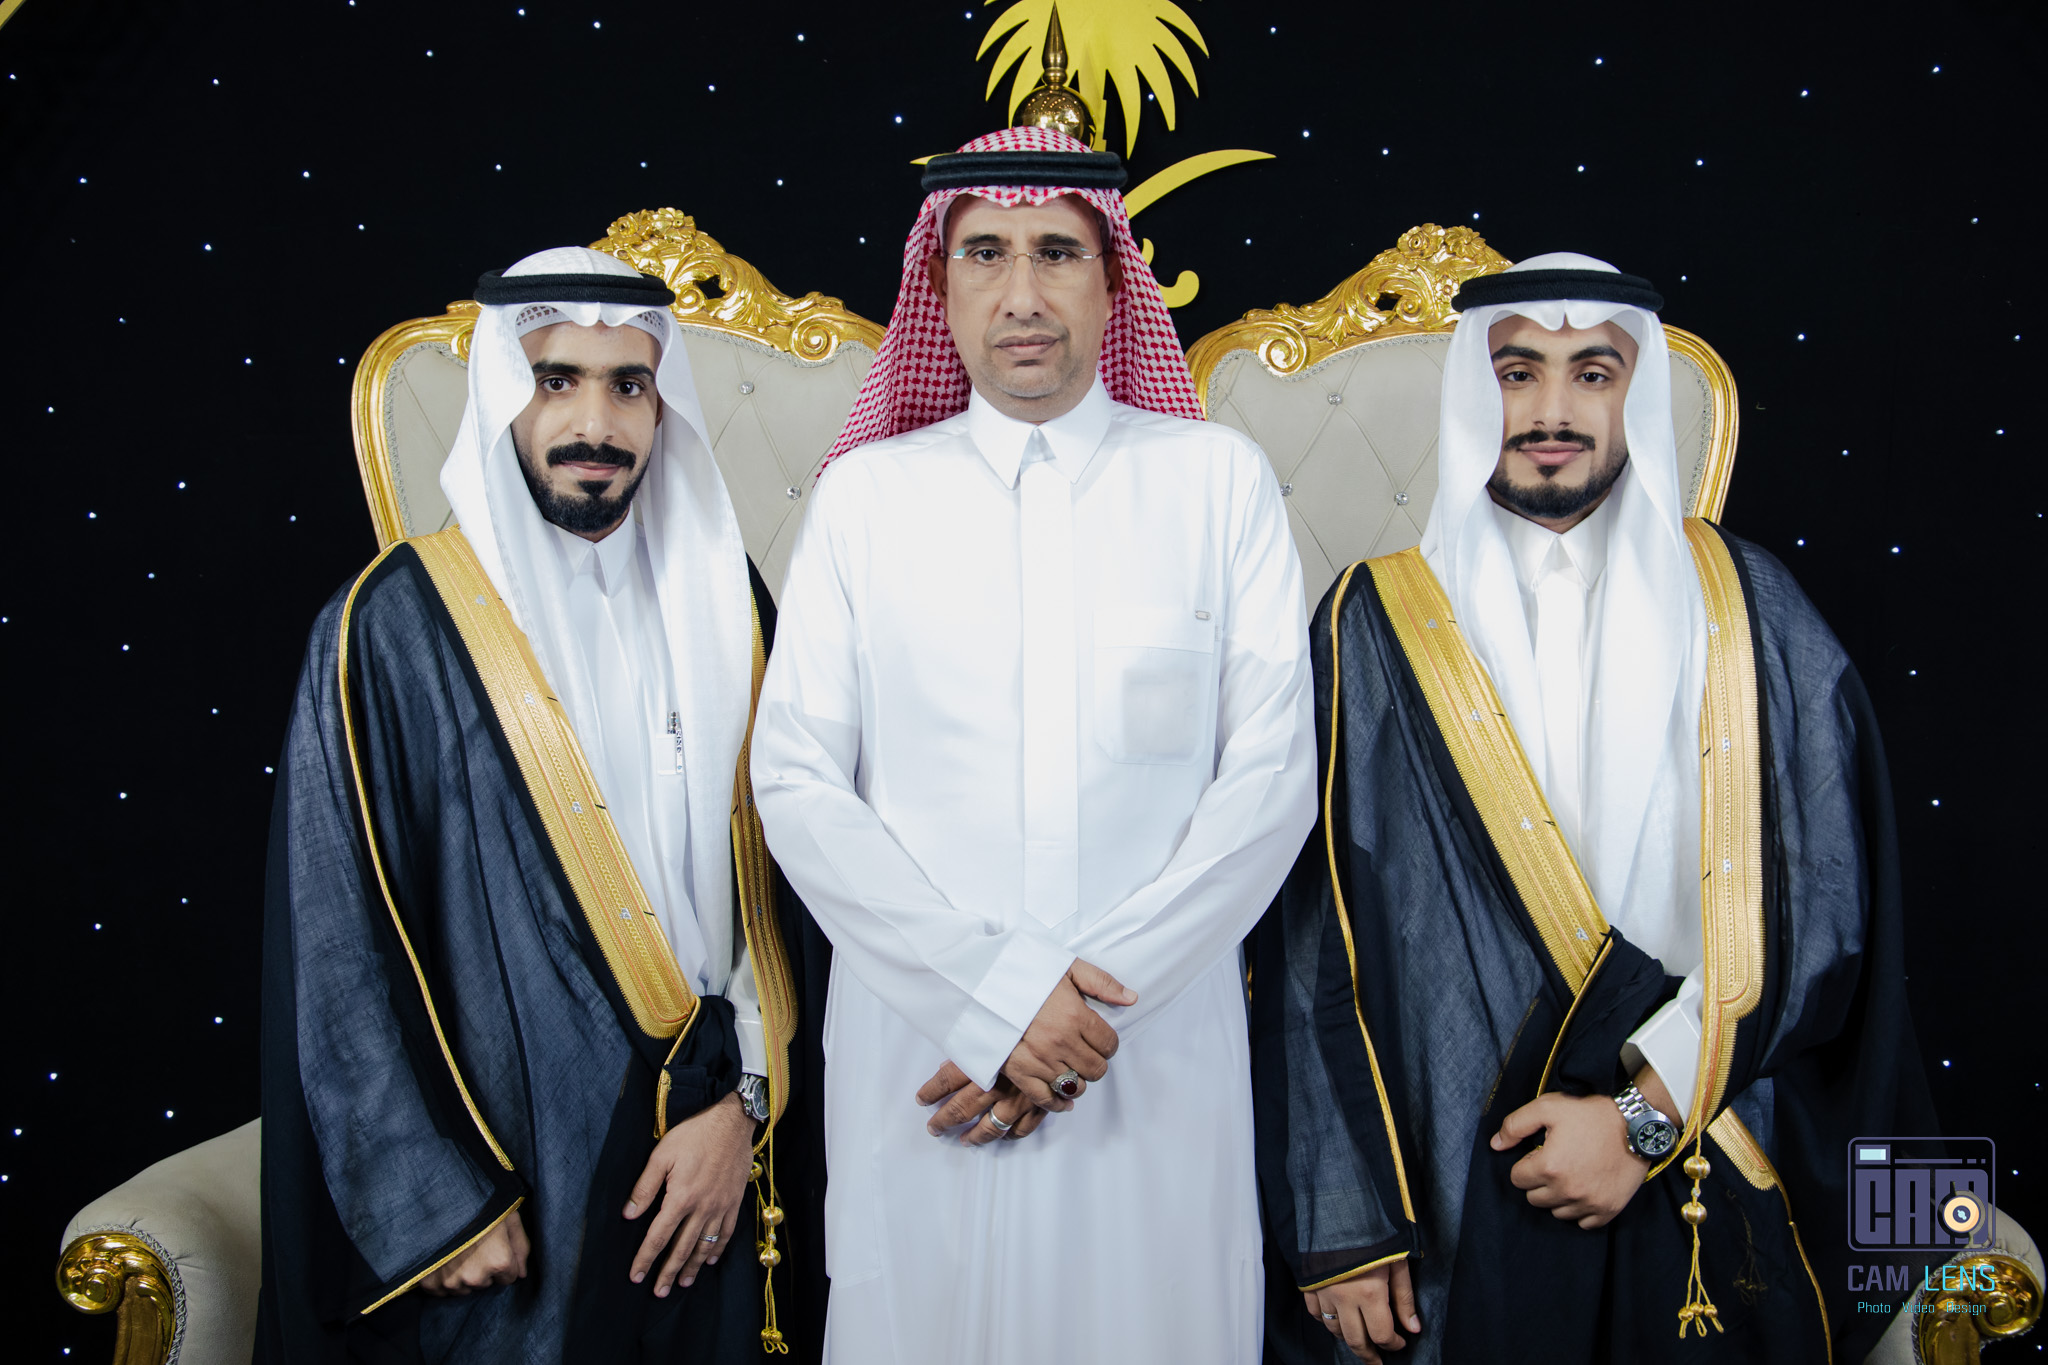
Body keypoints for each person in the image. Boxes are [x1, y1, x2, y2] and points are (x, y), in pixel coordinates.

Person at [1251, 255, 1935, 1363]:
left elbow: (1826, 908)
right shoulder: (1369, 620)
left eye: (1593, 373)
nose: (1552, 412)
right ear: (1474, 396)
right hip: (1444, 1160)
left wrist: (1639, 1120)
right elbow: (1307, 940)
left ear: (1636, 392)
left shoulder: (1748, 608)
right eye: (1517, 373)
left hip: (1709, 1129)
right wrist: (1344, 1228)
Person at [748, 126, 1317, 1364]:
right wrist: (992, 1004)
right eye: (985, 254)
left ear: (1114, 284)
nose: (1021, 294)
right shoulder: (864, 500)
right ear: (936, 284)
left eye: (1057, 253)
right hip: (927, 1054)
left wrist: (1074, 1021)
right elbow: (796, 779)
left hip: (1147, 1055)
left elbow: (1270, 781)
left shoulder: (1216, 483)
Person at [257, 247, 825, 1362]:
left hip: (723, 1152)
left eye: (628, 385)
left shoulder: (737, 609)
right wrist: (439, 1204)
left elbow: (794, 894)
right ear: (502, 397)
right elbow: (334, 939)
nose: (593, 423)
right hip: (511, 1183)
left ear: (664, 407)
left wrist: (744, 1106)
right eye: (554, 380)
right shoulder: (391, 626)